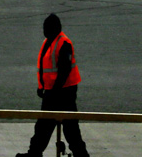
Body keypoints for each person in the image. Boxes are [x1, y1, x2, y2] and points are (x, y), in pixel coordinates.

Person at [16, 13, 89, 157]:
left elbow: (64, 71)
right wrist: (42, 86)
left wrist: (54, 92)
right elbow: (47, 67)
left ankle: (80, 155)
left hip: (64, 93)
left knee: (68, 128)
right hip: (53, 92)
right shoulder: (49, 41)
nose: (44, 31)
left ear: (55, 28)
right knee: (44, 126)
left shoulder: (63, 43)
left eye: (47, 28)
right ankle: (34, 153)